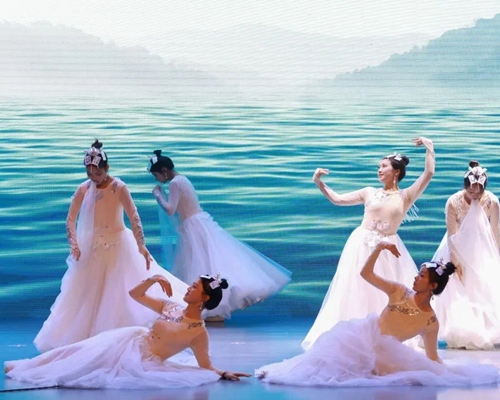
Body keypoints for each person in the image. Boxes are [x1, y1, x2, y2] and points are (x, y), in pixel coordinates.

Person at [257, 243, 500, 387]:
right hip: (364, 336)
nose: (415, 277)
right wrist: (379, 248)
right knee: (327, 362)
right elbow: (366, 274)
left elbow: (432, 357)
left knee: (366, 374)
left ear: (433, 286)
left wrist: (448, 373)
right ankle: (284, 373)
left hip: (387, 354)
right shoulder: (399, 291)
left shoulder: (430, 322)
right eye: (418, 273)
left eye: (421, 276)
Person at [34, 140, 189, 352]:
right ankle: (89, 338)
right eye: (89, 174)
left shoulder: (118, 187)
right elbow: (70, 218)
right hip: (92, 248)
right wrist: (74, 244)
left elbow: (133, 216)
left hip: (119, 245)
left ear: (106, 168)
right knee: (88, 294)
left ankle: (121, 337)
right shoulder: (84, 188)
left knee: (120, 291)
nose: (94, 178)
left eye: (98, 173)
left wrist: (141, 245)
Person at [302, 137, 435, 349]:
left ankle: (385, 334)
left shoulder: (405, 196)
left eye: (384, 166)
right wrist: (319, 182)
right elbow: (338, 199)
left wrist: (430, 148)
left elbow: (428, 174)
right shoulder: (369, 192)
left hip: (389, 249)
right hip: (362, 245)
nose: (379, 170)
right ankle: (356, 337)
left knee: (386, 291)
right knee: (357, 288)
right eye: (378, 167)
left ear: (396, 172)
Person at [5, 274, 251, 389]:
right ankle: (28, 366)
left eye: (195, 287)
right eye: (192, 284)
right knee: (76, 351)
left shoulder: (197, 331)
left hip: (141, 360)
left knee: (83, 370)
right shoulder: (171, 305)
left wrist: (222, 372)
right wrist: (154, 279)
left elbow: (205, 365)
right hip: (128, 340)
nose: (188, 288)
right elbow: (136, 294)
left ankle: (39, 372)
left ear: (204, 298)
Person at [148, 150, 292, 320]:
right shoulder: (183, 179)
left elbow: (170, 210)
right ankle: (214, 308)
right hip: (199, 222)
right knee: (210, 263)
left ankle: (211, 308)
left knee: (200, 265)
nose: (157, 179)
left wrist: (157, 195)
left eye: (156, 175)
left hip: (193, 227)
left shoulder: (174, 184)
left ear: (164, 171)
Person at [430, 161, 500, 349]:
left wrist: (496, 257)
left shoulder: (492, 201)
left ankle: (486, 330)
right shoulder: (453, 201)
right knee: (457, 288)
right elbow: (451, 234)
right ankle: (458, 331)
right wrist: (455, 262)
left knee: (484, 287)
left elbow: (495, 231)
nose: (474, 195)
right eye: (471, 191)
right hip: (457, 247)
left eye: (478, 192)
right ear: (465, 187)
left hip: (481, 248)